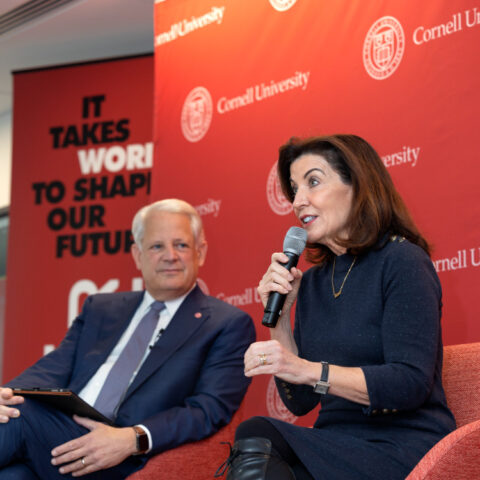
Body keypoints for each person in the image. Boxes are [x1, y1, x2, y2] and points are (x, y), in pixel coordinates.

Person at [217, 135, 456, 480]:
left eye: (313, 182)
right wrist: (280, 320)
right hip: (335, 444)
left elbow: (409, 383)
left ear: (358, 185)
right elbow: (300, 402)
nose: (298, 201)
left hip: (402, 445)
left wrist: (308, 370)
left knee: (259, 434)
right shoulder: (313, 282)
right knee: (261, 445)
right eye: (294, 190)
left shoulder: (402, 261)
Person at [0, 198, 255, 479]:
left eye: (181, 245)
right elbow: (54, 367)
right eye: (157, 246)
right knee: (13, 468)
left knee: (19, 420)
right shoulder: (101, 308)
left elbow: (207, 409)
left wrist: (133, 438)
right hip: (62, 430)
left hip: (123, 453)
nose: (170, 255)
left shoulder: (226, 324)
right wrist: (7, 396)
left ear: (200, 252)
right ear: (137, 255)